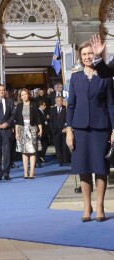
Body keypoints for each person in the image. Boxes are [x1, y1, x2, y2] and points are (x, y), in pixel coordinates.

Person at [66, 40, 114, 222]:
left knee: (101, 169)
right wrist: (69, 130)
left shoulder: (105, 77)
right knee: (83, 169)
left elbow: (111, 105)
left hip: (101, 128)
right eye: (84, 54)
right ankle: (87, 206)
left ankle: (100, 206)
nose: (87, 57)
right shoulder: (76, 78)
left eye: (90, 54)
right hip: (79, 129)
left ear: (95, 55)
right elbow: (70, 106)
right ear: (80, 57)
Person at [14, 88, 42, 179]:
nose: (24, 96)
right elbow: (17, 121)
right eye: (22, 95)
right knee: (24, 151)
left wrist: (40, 129)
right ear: (20, 97)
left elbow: (38, 118)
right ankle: (25, 172)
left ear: (28, 95)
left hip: (32, 129)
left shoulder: (33, 105)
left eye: (25, 94)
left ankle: (32, 172)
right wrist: (16, 133)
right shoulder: (19, 106)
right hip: (22, 129)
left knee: (32, 151)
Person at [49, 95, 69, 166]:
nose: (59, 102)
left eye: (60, 101)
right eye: (57, 101)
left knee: (65, 146)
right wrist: (53, 130)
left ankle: (65, 160)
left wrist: (66, 128)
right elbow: (51, 121)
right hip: (56, 131)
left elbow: (68, 120)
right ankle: (60, 161)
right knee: (58, 147)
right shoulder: (52, 110)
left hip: (64, 131)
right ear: (55, 102)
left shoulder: (66, 109)